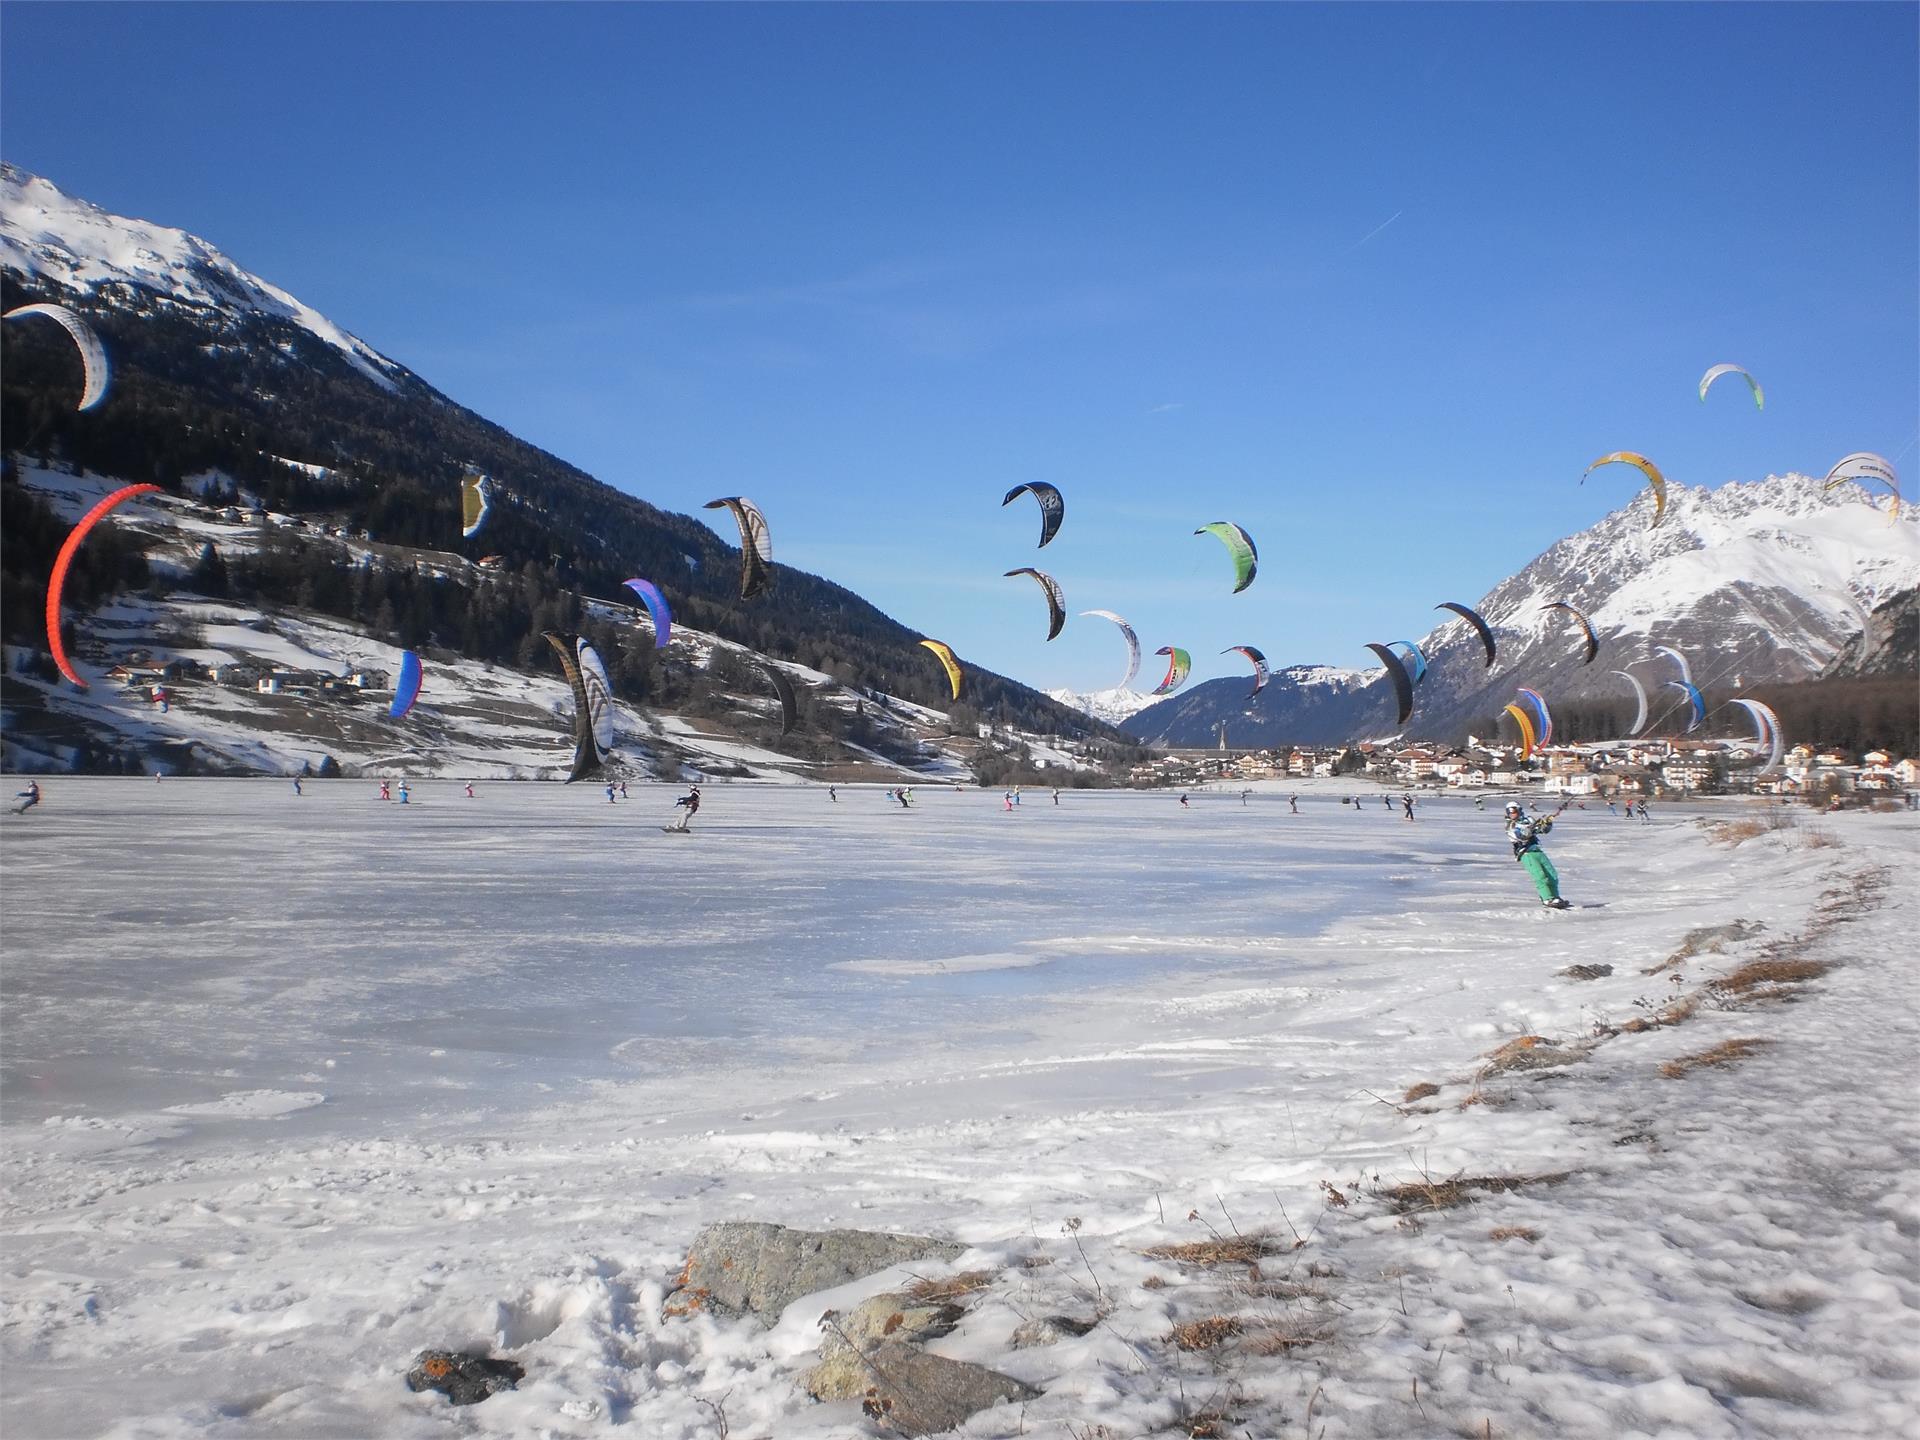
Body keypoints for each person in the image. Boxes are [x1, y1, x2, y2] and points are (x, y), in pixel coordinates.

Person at [1505, 800, 1569, 909]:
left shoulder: (1528, 819)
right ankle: (1547, 898)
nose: (1512, 814)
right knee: (1540, 876)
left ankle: (1555, 897)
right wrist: (1531, 829)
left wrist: (1547, 823)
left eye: (1514, 811)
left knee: (1552, 874)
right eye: (1510, 812)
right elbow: (1520, 835)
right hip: (1526, 853)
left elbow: (1543, 831)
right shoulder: (1511, 825)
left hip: (1537, 850)